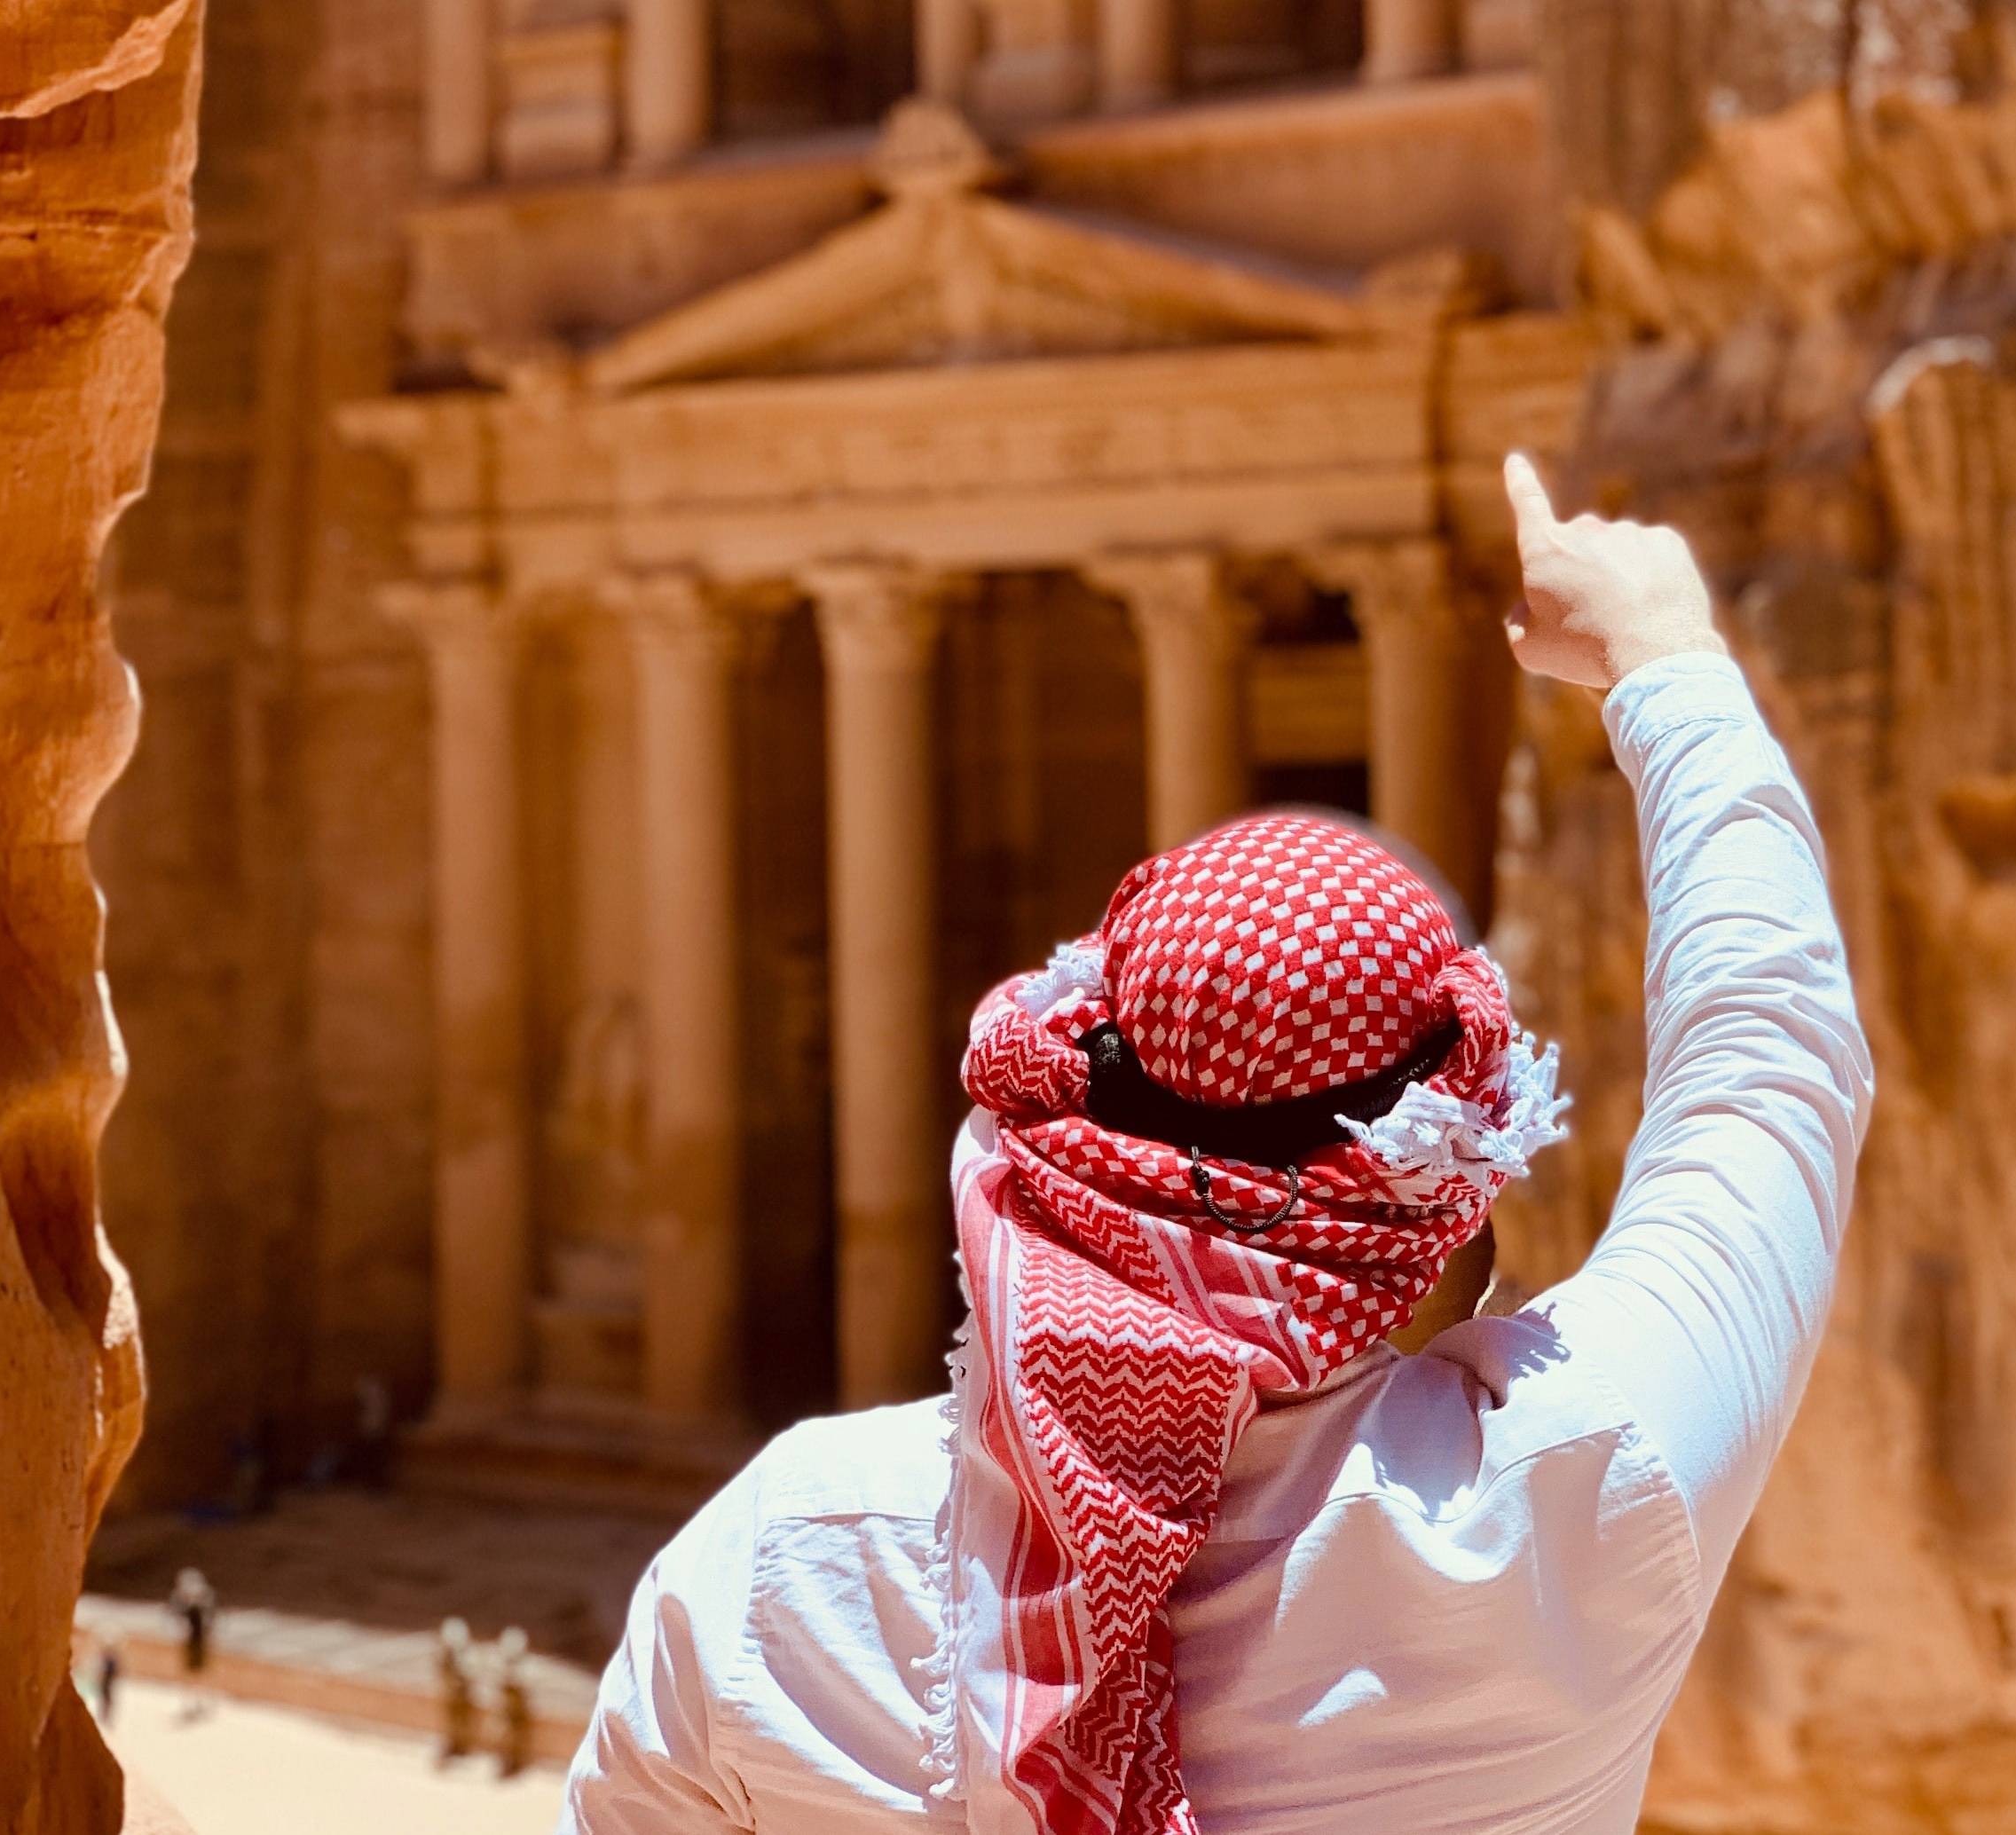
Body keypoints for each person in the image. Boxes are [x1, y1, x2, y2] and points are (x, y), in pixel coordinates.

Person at [559, 455, 1873, 1835]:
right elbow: (1771, 1059)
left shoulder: (787, 1561)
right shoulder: (1580, 1495)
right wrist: (1662, 652)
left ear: (1061, 1157)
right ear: (1434, 1196)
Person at [169, 1568, 217, 1721]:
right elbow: (177, 1620)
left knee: (202, 1671)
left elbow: (210, 1621)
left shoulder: (205, 1601)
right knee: (188, 1673)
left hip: (200, 1641)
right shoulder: (181, 1602)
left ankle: (201, 1701)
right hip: (189, 1642)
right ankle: (189, 1702)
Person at [437, 1617, 479, 1763]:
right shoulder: (446, 1655)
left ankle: (462, 1747)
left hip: (462, 1696)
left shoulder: (466, 1655)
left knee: (463, 1722)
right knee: (453, 1721)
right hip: (452, 1695)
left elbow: (470, 1675)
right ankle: (454, 1744)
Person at [498, 1626, 536, 1779]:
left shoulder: (524, 1667)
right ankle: (508, 1761)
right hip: (507, 1710)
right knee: (505, 1735)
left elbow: (524, 1689)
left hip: (518, 1711)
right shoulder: (506, 1665)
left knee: (515, 1736)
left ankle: (516, 1762)